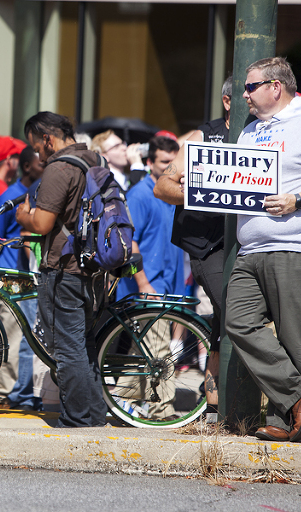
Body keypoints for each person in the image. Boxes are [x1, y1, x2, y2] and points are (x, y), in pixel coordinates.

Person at [225, 57, 301, 442]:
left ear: (275, 86)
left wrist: (298, 200)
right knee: (238, 322)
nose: (242, 95)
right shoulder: (250, 132)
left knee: (293, 338)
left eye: (250, 87)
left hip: (297, 246)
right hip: (251, 249)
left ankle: (286, 423)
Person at [16, 111, 109, 428]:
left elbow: (42, 223)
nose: (39, 156)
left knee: (68, 350)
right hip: (94, 268)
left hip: (64, 268)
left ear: (47, 139)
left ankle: (77, 419)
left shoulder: (60, 168)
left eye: (38, 148)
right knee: (84, 346)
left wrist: (23, 216)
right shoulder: (95, 159)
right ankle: (95, 416)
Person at [153, 76, 233, 416]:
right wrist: (202, 196)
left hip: (243, 244)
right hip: (207, 245)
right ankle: (219, 399)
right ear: (228, 102)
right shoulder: (203, 137)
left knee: (225, 318)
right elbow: (162, 187)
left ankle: (215, 402)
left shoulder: (263, 136)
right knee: (232, 309)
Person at [116, 135, 184, 418]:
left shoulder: (171, 193)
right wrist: (143, 283)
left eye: (174, 162)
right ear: (149, 163)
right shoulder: (140, 194)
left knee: (141, 351)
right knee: (159, 352)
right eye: (164, 163)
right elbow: (128, 243)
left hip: (166, 284)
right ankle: (162, 410)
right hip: (146, 288)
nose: (171, 168)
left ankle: (120, 400)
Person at [0, 145, 45, 410]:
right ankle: (3, 395)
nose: (45, 165)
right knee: (11, 338)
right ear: (27, 167)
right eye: (40, 163)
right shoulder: (11, 196)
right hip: (13, 278)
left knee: (28, 339)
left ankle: (22, 393)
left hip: (32, 276)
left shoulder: (41, 194)